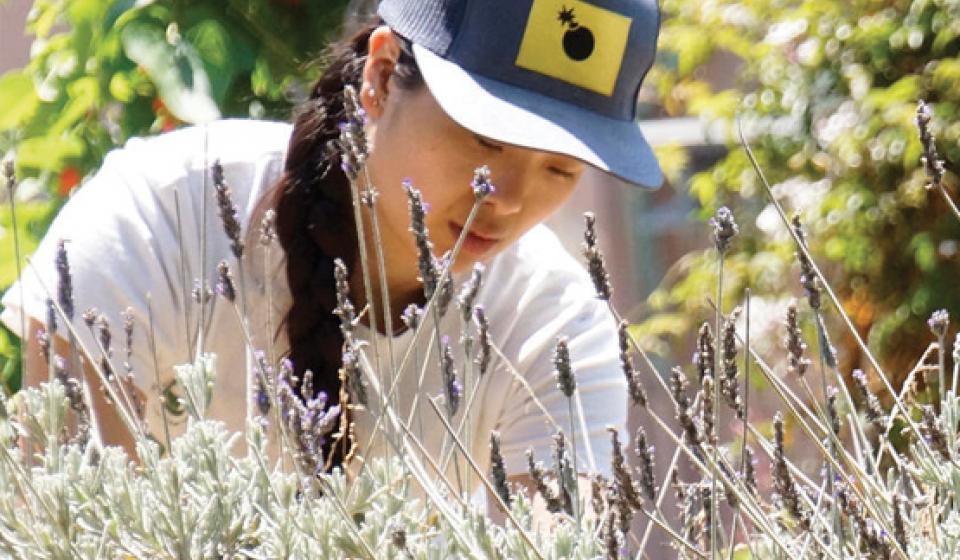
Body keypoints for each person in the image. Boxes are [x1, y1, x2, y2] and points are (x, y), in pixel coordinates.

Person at [1, 0, 662, 496]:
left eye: (561, 170)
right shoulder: (161, 215)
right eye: (487, 142)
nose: (511, 199)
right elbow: (69, 516)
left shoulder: (555, 326)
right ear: (379, 75)